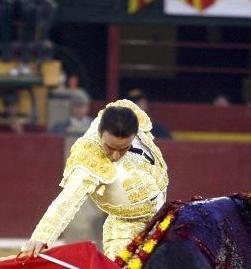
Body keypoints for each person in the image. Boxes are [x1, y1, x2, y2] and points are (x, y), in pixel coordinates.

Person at [19, 99, 168, 260]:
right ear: (100, 132)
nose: (116, 155)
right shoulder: (89, 157)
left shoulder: (128, 118)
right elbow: (68, 199)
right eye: (110, 147)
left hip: (164, 218)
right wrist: (41, 237)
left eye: (124, 148)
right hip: (125, 230)